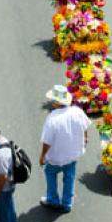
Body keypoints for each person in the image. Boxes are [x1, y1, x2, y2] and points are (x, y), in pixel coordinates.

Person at [39, 85, 90, 213]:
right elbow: (85, 126)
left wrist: (43, 155)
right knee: (69, 178)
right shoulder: (77, 112)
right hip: (72, 155)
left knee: (50, 174)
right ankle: (67, 203)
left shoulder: (52, 119)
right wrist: (85, 139)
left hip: (55, 157)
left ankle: (52, 200)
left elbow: (47, 141)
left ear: (56, 103)